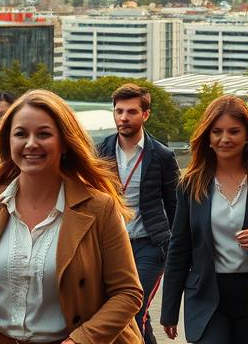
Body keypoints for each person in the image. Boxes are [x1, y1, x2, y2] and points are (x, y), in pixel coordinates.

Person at [0, 89, 143, 344]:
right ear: (8, 142)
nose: (31, 143)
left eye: (43, 134)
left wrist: (81, 340)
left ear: (64, 142)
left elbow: (127, 293)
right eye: (21, 134)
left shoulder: (100, 208)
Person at [160, 96, 248, 343]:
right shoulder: (191, 185)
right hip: (206, 298)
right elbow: (179, 250)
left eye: (233, 131)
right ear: (207, 136)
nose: (224, 139)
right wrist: (169, 311)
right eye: (217, 132)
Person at [97, 84, 180, 344]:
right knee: (123, 313)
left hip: (149, 244)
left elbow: (175, 205)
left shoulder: (163, 156)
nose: (123, 117)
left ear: (145, 115)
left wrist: (177, 249)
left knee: (134, 309)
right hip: (111, 244)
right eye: (119, 111)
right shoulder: (101, 152)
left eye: (131, 111)